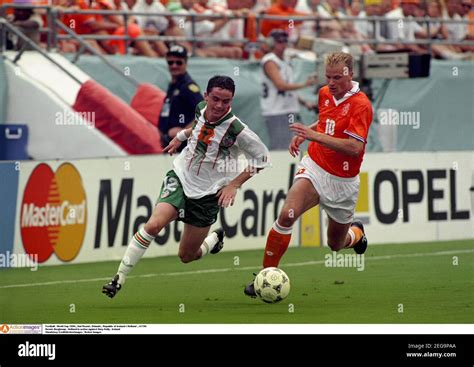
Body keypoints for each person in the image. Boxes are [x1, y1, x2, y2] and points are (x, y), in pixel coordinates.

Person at [103, 75, 271, 298]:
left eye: (226, 101)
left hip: (208, 194)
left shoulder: (237, 130)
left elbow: (262, 158)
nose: (220, 106)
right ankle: (118, 278)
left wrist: (234, 185)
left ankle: (213, 240)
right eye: (216, 99)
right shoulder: (201, 108)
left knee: (187, 255)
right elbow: (198, 127)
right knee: (153, 225)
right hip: (181, 177)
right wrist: (180, 137)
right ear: (206, 96)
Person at [244, 52, 373, 297]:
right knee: (286, 215)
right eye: (328, 77)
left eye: (337, 77)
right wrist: (308, 132)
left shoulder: (361, 105)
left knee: (336, 245)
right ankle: (264, 275)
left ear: (350, 75)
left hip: (343, 182)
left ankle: (356, 234)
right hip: (315, 167)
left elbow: (355, 148)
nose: (331, 83)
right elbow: (326, 120)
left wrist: (314, 135)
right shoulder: (325, 93)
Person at [260, 29, 318, 150]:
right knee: (280, 147)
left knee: (290, 147)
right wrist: (305, 84)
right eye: (279, 42)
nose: (283, 44)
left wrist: (303, 102)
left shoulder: (285, 60)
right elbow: (280, 85)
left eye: (285, 41)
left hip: (288, 109)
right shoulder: (270, 61)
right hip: (276, 110)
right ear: (272, 43)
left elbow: (288, 88)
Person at [158, 45, 203, 151]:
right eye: (170, 62)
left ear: (186, 63)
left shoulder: (188, 86)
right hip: (169, 143)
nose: (174, 66)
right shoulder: (173, 85)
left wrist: (183, 132)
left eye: (179, 62)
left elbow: (204, 111)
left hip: (183, 146)